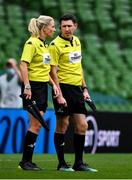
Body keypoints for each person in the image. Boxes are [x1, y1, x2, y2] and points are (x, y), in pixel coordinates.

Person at [49, 13, 98, 172]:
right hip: (63, 87)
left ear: (75, 26)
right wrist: (59, 93)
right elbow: (52, 71)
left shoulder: (77, 41)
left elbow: (78, 67)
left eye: (70, 26)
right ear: (60, 27)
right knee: (63, 125)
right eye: (64, 26)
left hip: (77, 89)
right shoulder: (54, 45)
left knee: (82, 125)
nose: (67, 29)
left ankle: (79, 163)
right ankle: (61, 163)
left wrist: (84, 88)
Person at [18, 15, 59, 171]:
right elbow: (23, 65)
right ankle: (25, 162)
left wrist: (53, 84)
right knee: (35, 124)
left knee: (36, 125)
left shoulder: (45, 45)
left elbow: (44, 70)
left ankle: (27, 161)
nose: (54, 29)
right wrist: (27, 86)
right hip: (33, 87)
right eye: (52, 26)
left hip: (42, 88)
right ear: (44, 28)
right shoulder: (31, 43)